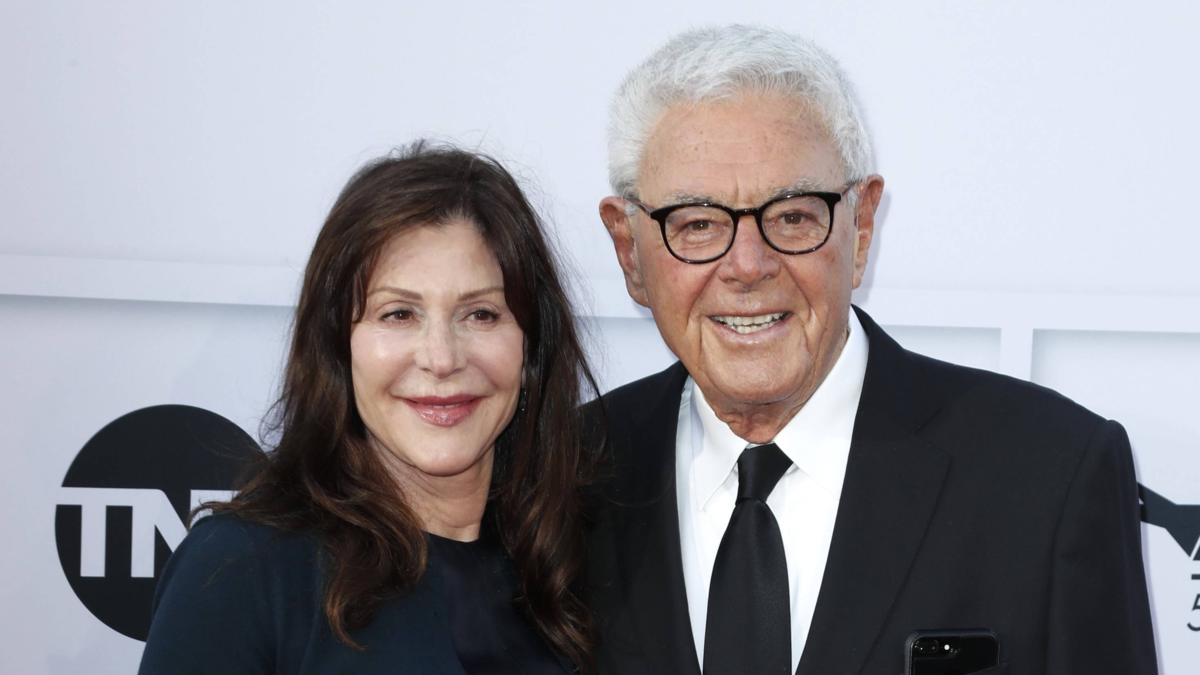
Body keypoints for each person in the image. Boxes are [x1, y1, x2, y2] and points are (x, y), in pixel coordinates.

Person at [586, 24, 1157, 675]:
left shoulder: (1051, 474)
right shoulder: (559, 479)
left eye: (793, 216)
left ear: (860, 227)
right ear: (628, 250)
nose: (747, 265)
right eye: (697, 223)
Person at [139, 142, 599, 674]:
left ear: (531, 345)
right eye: (399, 314)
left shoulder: (577, 562)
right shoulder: (241, 568)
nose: (441, 358)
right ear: (338, 344)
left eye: (480, 314)